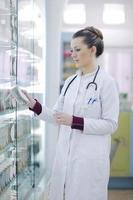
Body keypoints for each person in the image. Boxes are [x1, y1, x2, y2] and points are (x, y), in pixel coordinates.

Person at [19, 26, 119, 200]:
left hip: (89, 161)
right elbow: (57, 116)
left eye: (77, 50)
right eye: (71, 50)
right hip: (65, 157)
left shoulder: (107, 83)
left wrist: (75, 121)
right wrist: (35, 106)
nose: (72, 54)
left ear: (92, 50)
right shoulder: (70, 82)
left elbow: (111, 124)